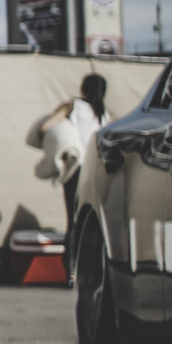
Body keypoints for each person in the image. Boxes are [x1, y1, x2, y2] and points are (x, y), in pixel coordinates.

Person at [39, 73, 111, 228]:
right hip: (98, 171)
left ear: (82, 89)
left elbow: (46, 126)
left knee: (74, 218)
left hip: (76, 169)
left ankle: (72, 251)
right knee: (93, 220)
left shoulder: (72, 106)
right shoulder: (105, 115)